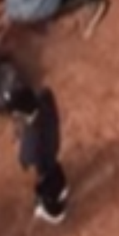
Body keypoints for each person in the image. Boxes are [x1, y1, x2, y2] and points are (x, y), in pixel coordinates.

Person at [10, 86, 72, 224]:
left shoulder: (31, 141)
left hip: (43, 156)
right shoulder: (45, 99)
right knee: (50, 165)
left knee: (44, 176)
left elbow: (25, 158)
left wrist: (20, 142)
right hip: (52, 145)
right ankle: (56, 190)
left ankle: (51, 204)